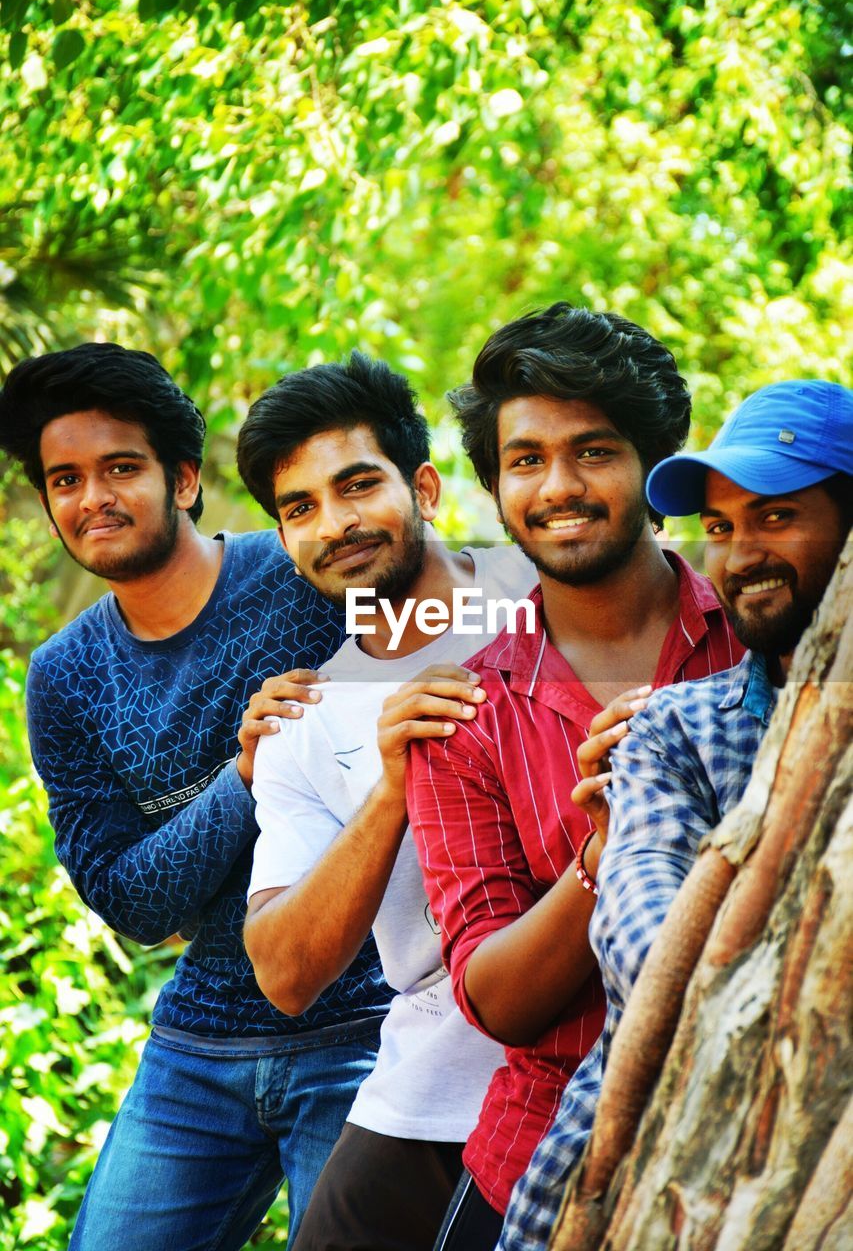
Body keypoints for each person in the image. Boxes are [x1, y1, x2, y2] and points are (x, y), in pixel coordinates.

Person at [0, 343, 392, 1250]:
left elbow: (485, 612)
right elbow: (134, 902)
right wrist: (243, 776)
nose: (92, 497)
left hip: (365, 1029)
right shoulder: (65, 677)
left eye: (120, 468)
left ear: (182, 479)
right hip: (198, 1042)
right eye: (65, 479)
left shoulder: (305, 572)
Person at [405, 303, 744, 1249]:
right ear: (494, 485)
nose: (559, 486)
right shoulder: (462, 719)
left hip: (761, 1124)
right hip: (543, 1157)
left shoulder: (761, 639)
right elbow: (495, 1000)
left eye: (594, 451)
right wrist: (601, 856)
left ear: (652, 467)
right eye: (525, 460)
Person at [498, 377, 853, 1251]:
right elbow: (637, 928)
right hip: (652, 1173)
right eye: (722, 528)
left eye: (775, 518)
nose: (739, 555)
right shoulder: (673, 729)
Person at [235, 350, 537, 1251]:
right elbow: (283, 974)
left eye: (358, 485)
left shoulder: (549, 593)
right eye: (300, 508)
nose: (335, 523)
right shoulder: (301, 717)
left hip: (606, 1061)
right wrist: (392, 790)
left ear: (427, 487)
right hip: (425, 1092)